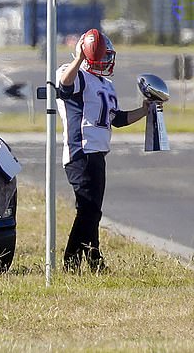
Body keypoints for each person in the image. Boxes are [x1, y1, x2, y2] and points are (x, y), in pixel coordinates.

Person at [56, 30, 153, 272]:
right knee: (88, 210)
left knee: (92, 211)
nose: (107, 61)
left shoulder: (107, 84)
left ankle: (93, 260)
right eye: (101, 56)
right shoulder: (74, 73)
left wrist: (144, 110)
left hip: (98, 153)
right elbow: (64, 87)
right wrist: (79, 58)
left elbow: (116, 119)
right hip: (81, 152)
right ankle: (74, 261)